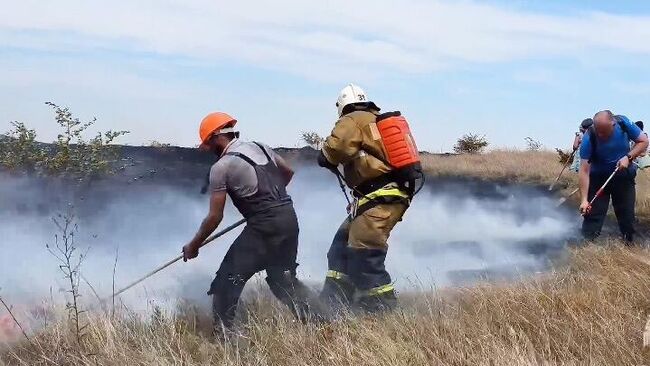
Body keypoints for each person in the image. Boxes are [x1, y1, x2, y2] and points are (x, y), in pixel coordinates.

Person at [182, 111, 316, 334]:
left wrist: (194, 245)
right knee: (281, 280)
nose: (207, 150)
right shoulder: (260, 146)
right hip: (288, 218)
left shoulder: (221, 167)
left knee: (226, 282)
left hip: (265, 227)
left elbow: (215, 217)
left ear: (216, 137)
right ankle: (319, 322)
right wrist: (272, 200)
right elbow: (288, 172)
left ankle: (225, 339)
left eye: (207, 143)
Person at [317, 84, 413, 313]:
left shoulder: (352, 119)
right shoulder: (373, 119)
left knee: (365, 256)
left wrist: (323, 155)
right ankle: (334, 300)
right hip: (378, 197)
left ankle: (383, 311)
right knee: (340, 246)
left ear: (341, 106)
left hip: (379, 198)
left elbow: (335, 149)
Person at [578, 110, 648, 243]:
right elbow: (584, 171)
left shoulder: (623, 123)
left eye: (604, 132)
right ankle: (587, 245)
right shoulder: (589, 136)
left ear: (613, 124)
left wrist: (628, 157)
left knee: (626, 215)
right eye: (598, 131)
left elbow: (643, 141)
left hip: (622, 175)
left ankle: (631, 245)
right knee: (593, 215)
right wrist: (584, 200)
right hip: (598, 179)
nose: (600, 135)